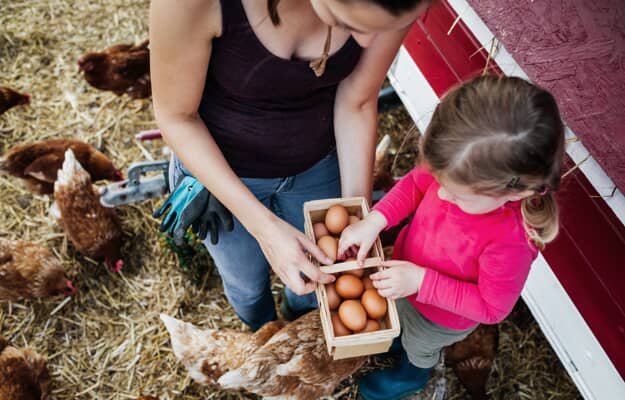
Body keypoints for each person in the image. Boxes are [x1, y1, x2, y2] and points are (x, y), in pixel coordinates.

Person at [149, 0, 430, 330]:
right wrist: (264, 228)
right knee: (245, 282)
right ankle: (261, 330)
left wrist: (356, 214)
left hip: (317, 162)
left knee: (319, 279)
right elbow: (176, 117)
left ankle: (302, 324)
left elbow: (358, 99)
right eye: (349, 24)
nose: (367, 43)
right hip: (221, 173)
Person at [337, 75, 565, 400]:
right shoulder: (457, 163)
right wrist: (376, 220)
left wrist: (422, 282)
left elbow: (492, 308)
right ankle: (394, 338)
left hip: (439, 317)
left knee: (418, 345)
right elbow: (416, 184)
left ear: (519, 190)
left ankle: (412, 374)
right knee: (394, 316)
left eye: (459, 196)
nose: (441, 194)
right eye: (440, 180)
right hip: (404, 271)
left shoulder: (511, 241)